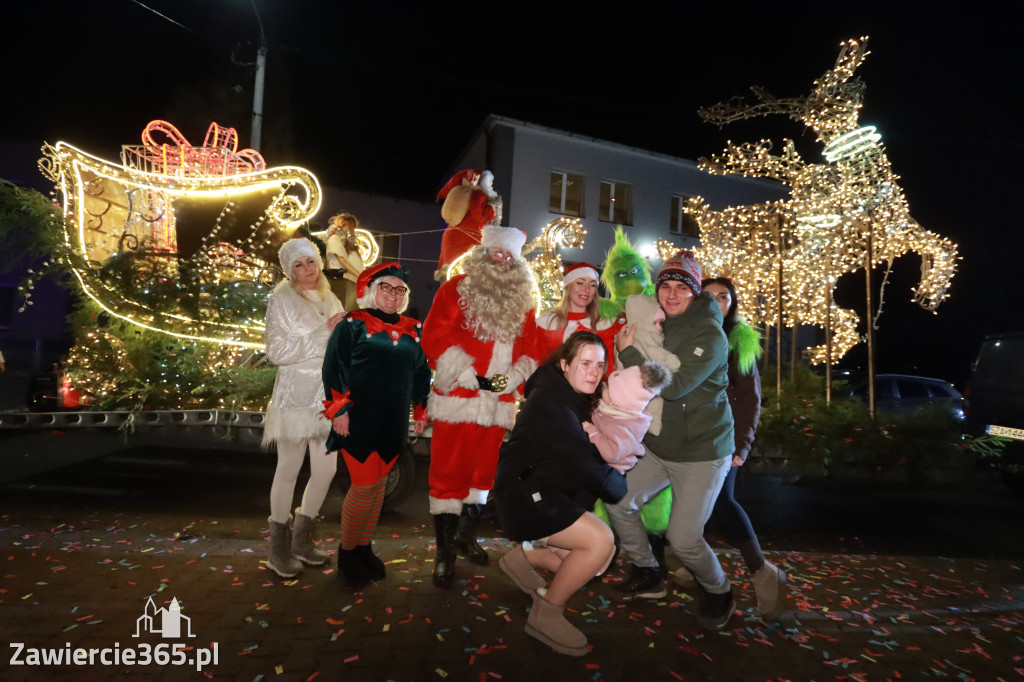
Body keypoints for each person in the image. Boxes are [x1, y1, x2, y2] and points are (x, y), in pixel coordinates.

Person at [605, 250, 738, 631]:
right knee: (619, 499)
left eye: (682, 288)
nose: (672, 295)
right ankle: (648, 571)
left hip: (702, 451)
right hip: (661, 446)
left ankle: (718, 590)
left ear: (695, 293)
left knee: (684, 539)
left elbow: (675, 387)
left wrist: (628, 352)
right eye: (666, 286)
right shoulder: (660, 318)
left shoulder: (709, 334)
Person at [421, 224, 541, 588]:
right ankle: (443, 552)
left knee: (482, 475)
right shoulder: (455, 289)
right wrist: (464, 371)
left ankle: (465, 538)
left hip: (498, 402)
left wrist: (518, 373)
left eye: (509, 256)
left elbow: (532, 346)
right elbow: (434, 335)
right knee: (448, 474)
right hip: (459, 398)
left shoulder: (525, 300)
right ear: (484, 254)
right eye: (497, 253)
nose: (502, 261)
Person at [492, 331, 626, 656]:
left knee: (597, 561)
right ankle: (546, 613)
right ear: (565, 364)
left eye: (600, 365)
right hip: (524, 495)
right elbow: (590, 468)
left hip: (540, 488)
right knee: (600, 542)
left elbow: (579, 462)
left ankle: (524, 558)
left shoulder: (566, 394)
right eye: (585, 363)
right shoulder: (553, 405)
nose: (594, 372)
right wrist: (618, 481)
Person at [667, 276, 786, 620]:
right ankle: (695, 565)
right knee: (694, 500)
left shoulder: (737, 341)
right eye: (709, 296)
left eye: (723, 297)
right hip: (694, 435)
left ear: (732, 304)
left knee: (721, 501)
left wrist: (743, 443)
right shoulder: (687, 331)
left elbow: (749, 398)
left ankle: (762, 571)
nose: (716, 303)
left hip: (723, 438)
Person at [322, 262, 431, 590]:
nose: (394, 294)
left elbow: (420, 373)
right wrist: (338, 410)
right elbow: (334, 367)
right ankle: (347, 554)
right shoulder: (353, 324)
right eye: (387, 287)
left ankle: (364, 548)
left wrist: (421, 408)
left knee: (378, 488)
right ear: (372, 290)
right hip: (360, 417)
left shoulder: (413, 329)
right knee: (364, 486)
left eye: (399, 290)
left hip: (394, 419)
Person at [262, 237, 346, 579]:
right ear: (289, 270)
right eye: (298, 265)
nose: (307, 269)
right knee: (289, 468)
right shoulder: (281, 299)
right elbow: (276, 351)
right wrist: (321, 335)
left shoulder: (331, 295)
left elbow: (344, 345)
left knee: (326, 471)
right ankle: (278, 549)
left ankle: (302, 539)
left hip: (326, 398)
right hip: (295, 396)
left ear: (319, 261)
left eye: (310, 261)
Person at [582, 360, 671, 474]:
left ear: (620, 402)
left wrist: (591, 432)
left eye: (609, 388)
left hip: (606, 470)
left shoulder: (623, 427)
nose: (605, 387)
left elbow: (611, 454)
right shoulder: (613, 409)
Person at [534, 262, 624, 372]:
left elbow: (610, 367)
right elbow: (535, 365)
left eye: (593, 285)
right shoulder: (546, 322)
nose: (587, 290)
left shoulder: (606, 324)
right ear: (567, 286)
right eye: (580, 283)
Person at [434, 169, 502, 279]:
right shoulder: (477, 196)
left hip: (453, 241)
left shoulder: (462, 203)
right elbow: (480, 216)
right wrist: (493, 207)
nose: (492, 186)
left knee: (450, 281)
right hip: (465, 244)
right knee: (464, 284)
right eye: (490, 183)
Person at [323, 212, 365, 311]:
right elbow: (343, 262)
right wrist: (360, 276)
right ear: (343, 223)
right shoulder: (334, 240)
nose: (350, 230)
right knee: (342, 310)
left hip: (345, 279)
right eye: (350, 227)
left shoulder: (342, 242)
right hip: (340, 279)